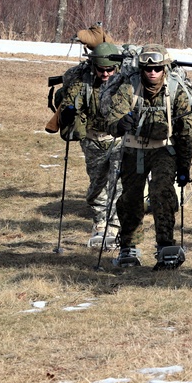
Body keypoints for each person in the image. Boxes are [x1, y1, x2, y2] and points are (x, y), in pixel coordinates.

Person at [102, 44, 192, 268]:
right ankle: (128, 247)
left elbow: (186, 131)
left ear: (165, 69)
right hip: (133, 149)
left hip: (164, 149)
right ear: (141, 69)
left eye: (157, 69)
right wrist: (120, 124)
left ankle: (166, 246)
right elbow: (111, 121)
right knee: (131, 198)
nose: (152, 73)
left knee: (161, 192)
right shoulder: (128, 87)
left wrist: (184, 167)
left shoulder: (176, 90)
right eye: (147, 69)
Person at [56, 41, 123, 249]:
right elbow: (70, 99)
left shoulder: (125, 81)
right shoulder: (80, 79)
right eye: (101, 70)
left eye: (109, 70)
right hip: (92, 139)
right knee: (97, 184)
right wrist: (67, 111)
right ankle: (99, 223)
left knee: (118, 183)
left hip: (118, 139)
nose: (105, 74)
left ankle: (114, 226)